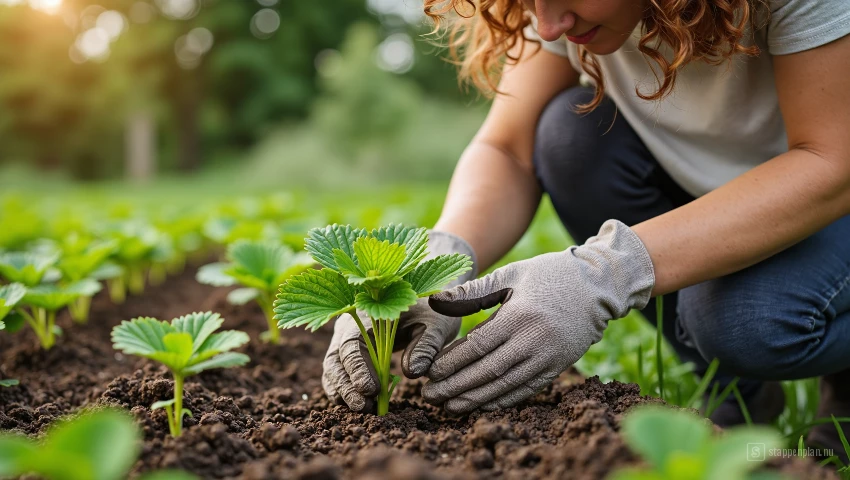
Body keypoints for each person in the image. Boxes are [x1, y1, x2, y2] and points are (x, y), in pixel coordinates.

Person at [321, 0, 850, 455]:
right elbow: (508, 148)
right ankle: (739, 390)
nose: (548, 24)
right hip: (739, 191)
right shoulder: (556, 13)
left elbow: (832, 162)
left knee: (744, 320)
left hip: (834, 191)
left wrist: (609, 270)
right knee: (571, 136)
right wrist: (436, 260)